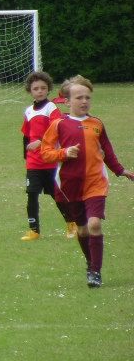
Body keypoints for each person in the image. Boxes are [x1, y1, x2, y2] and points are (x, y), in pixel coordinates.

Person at [39, 76, 134, 288]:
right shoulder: (58, 124)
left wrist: (120, 170)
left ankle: (96, 272)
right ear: (67, 101)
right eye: (79, 97)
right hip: (69, 186)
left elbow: (107, 150)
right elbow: (45, 153)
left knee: (94, 224)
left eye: (87, 97)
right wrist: (64, 153)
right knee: (82, 230)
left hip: (96, 183)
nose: (84, 101)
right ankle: (90, 264)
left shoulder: (97, 124)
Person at [19, 71, 64, 241]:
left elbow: (58, 128)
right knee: (31, 195)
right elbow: (26, 135)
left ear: (48, 89)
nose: (39, 91)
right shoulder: (29, 111)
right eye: (36, 88)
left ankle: (72, 223)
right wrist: (27, 155)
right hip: (33, 163)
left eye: (43, 88)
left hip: (50, 161)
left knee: (56, 195)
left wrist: (40, 142)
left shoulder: (51, 108)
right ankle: (34, 231)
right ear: (30, 90)